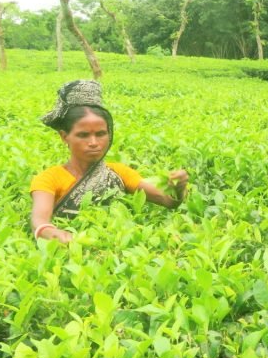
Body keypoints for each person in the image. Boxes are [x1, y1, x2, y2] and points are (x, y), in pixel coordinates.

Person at [29, 80, 189, 243]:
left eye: (100, 134)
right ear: (64, 137)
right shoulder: (49, 178)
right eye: (83, 135)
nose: (93, 142)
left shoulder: (119, 172)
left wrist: (178, 188)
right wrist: (56, 235)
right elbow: (39, 221)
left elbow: (167, 201)